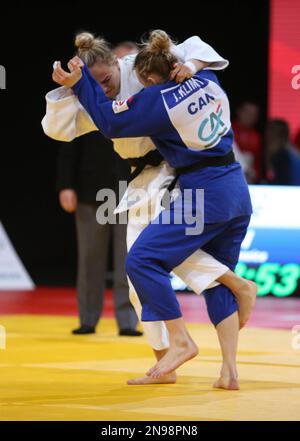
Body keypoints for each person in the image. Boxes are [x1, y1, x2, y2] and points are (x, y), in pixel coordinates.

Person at [46, 31, 257, 389]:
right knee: (143, 276)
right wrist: (73, 88)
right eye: (94, 85)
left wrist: (85, 86)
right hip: (220, 180)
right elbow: (56, 128)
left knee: (144, 259)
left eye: (107, 81)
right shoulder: (197, 75)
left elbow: (112, 121)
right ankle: (226, 370)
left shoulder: (151, 91)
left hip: (177, 176)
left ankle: (220, 301)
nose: (103, 91)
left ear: (121, 64)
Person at [57, 131, 142, 336]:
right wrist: (65, 185)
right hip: (90, 190)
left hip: (128, 191)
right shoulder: (87, 103)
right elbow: (69, 145)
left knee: (128, 259)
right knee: (89, 259)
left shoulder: (134, 102)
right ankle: (87, 319)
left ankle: (128, 321)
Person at [232, 101, 262, 183]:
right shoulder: (227, 131)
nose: (250, 117)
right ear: (239, 111)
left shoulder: (256, 136)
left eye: (253, 114)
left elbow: (257, 162)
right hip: (230, 177)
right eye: (247, 112)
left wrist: (255, 176)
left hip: (249, 180)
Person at [265, 119, 300, 185]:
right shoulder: (291, 152)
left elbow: (281, 183)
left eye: (270, 131)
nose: (266, 134)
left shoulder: (282, 156)